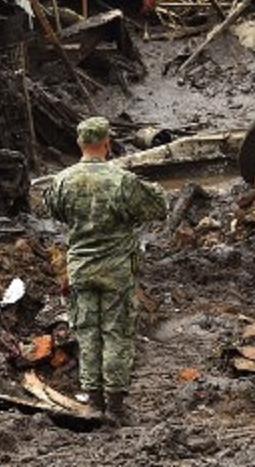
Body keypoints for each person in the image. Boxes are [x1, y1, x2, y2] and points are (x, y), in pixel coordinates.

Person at [44, 117, 167, 423]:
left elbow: (54, 211)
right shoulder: (121, 180)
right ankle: (115, 407)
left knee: (86, 334)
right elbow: (157, 208)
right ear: (107, 143)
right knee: (116, 334)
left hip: (81, 270)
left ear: (79, 144)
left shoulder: (61, 180)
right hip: (116, 271)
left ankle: (94, 403)